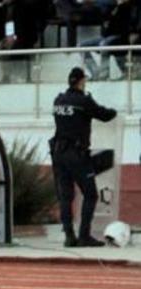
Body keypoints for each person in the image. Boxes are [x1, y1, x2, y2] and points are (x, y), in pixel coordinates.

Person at [50, 67, 117, 247]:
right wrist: (115, 112)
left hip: (58, 153)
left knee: (66, 196)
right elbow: (104, 115)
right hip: (76, 155)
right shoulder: (83, 101)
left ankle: (69, 236)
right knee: (90, 194)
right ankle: (84, 235)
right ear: (81, 81)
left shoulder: (58, 100)